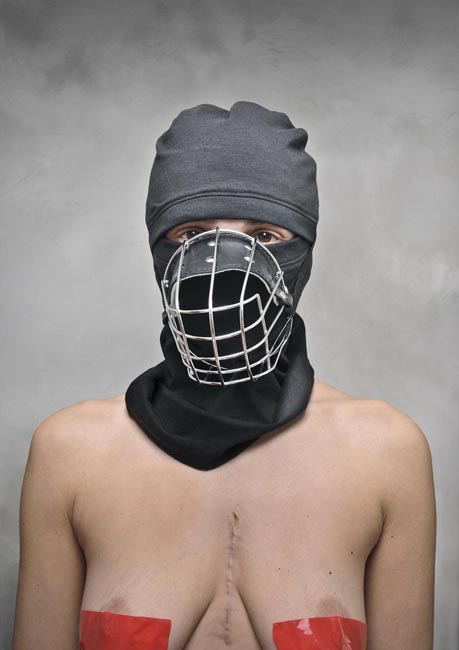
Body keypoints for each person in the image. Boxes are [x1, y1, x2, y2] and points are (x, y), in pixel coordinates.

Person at [12, 101, 436, 650]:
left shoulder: (385, 454)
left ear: (305, 252)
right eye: (192, 232)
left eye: (265, 236)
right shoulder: (71, 454)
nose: (227, 266)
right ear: (158, 249)